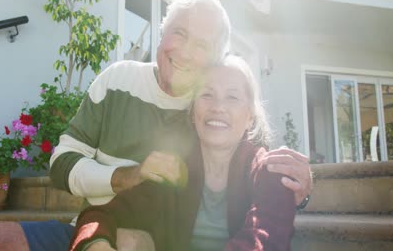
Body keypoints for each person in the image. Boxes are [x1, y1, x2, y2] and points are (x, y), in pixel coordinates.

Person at [0, 0, 311, 251]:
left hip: (149, 236)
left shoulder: (206, 113)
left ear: (214, 60)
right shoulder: (118, 80)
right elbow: (61, 165)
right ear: (162, 33)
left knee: (132, 240)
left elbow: (257, 173)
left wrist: (298, 185)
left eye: (201, 45)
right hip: (95, 224)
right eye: (179, 34)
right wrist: (125, 178)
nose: (184, 51)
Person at [70, 55, 297, 251]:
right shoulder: (174, 170)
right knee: (127, 240)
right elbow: (102, 215)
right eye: (207, 94)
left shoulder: (270, 172)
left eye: (232, 97)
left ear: (249, 116)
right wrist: (94, 244)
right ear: (193, 110)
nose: (218, 106)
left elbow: (265, 241)